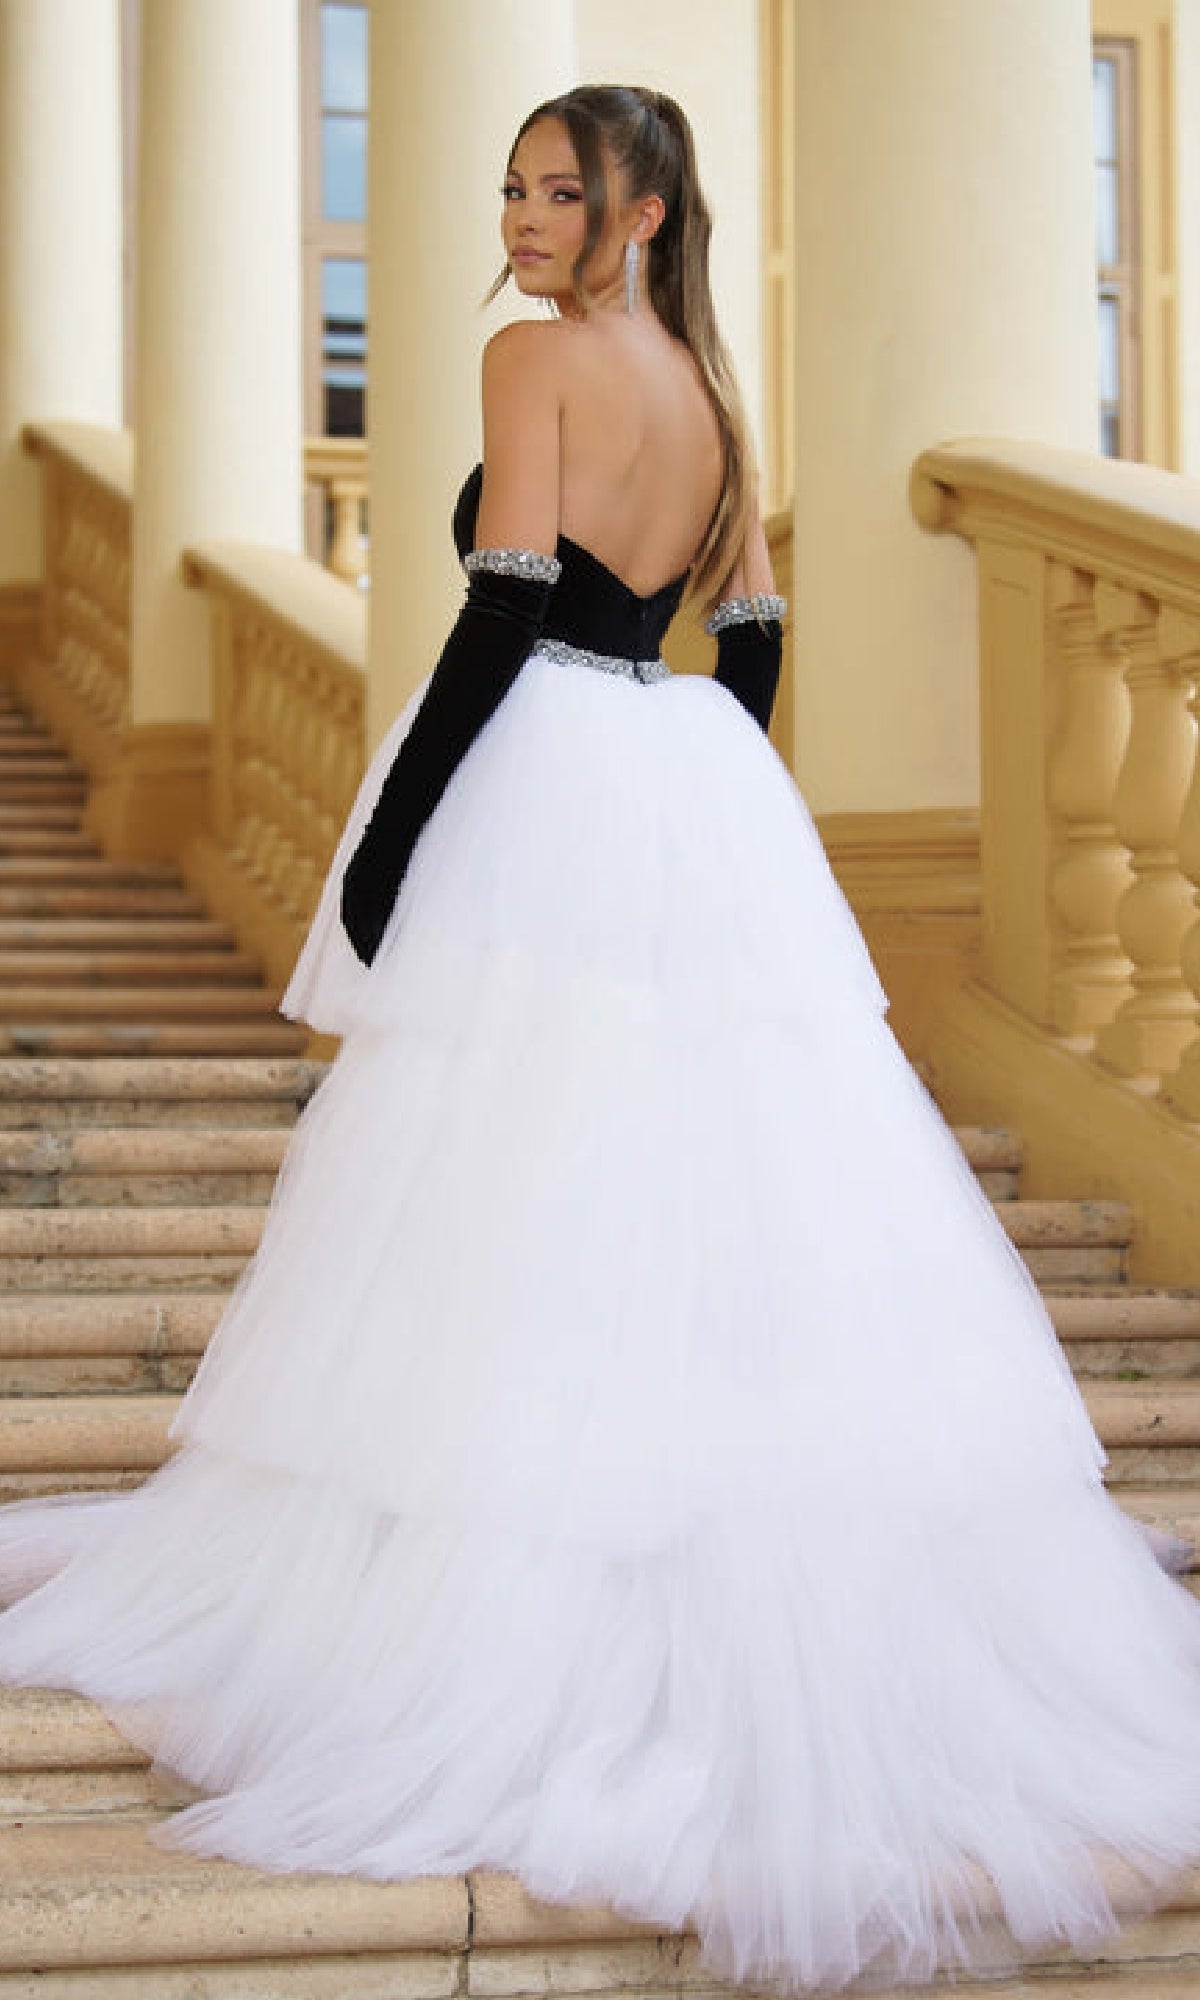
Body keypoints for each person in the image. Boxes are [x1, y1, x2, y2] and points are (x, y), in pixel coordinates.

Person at [0, 81, 1199, 1999]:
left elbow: (497, 620)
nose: (527, 214)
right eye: (515, 186)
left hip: (547, 766)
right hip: (683, 773)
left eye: (563, 190)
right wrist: (710, 776)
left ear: (640, 212)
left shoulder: (532, 360)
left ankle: (499, 1633)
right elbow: (763, 642)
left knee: (504, 1183)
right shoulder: (713, 392)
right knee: (687, 1184)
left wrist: (383, 851)